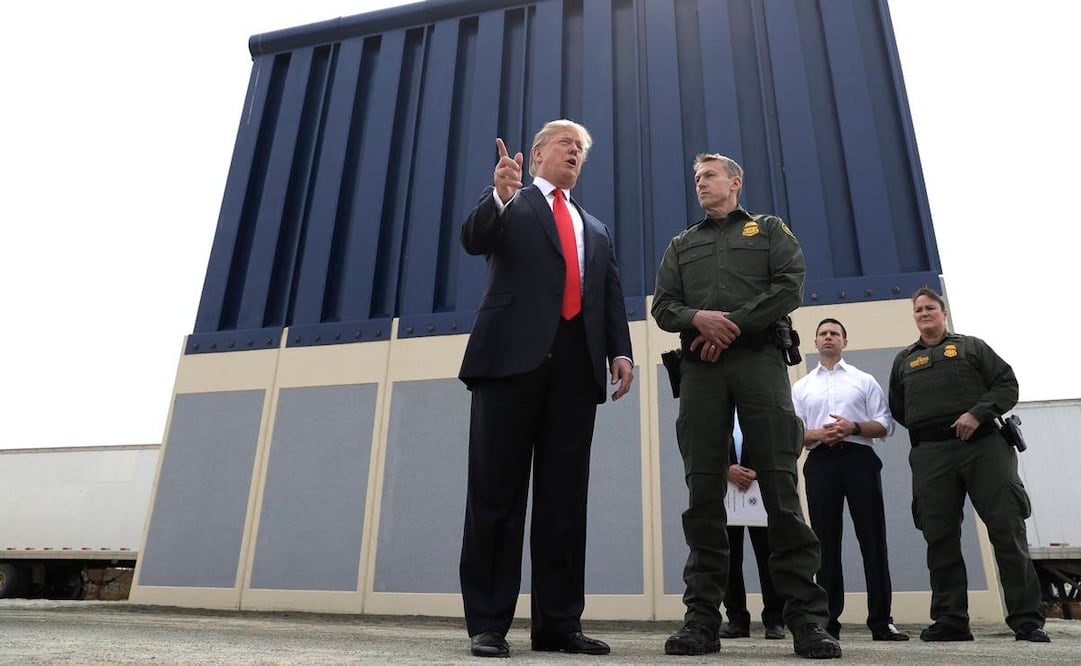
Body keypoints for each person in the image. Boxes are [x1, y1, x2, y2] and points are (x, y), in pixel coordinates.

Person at [457, 119, 635, 658]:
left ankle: (559, 624)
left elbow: (608, 292)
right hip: (510, 363)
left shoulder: (595, 227)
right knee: (497, 495)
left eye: (581, 149)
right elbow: (474, 240)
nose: (575, 154)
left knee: (564, 503)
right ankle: (488, 623)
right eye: (566, 145)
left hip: (575, 372)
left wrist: (619, 350)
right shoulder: (512, 203)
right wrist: (498, 195)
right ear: (537, 154)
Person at [651, 153, 840, 659]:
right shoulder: (681, 244)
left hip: (759, 362)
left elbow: (789, 286)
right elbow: (663, 306)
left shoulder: (770, 229)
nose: (700, 184)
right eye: (695, 178)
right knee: (703, 492)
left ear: (735, 181)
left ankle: (806, 621)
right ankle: (701, 622)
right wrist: (698, 319)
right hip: (701, 371)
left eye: (709, 176)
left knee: (780, 486)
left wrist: (728, 326)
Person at [887, 287, 1048, 643]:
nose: (924, 313)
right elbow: (899, 408)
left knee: (1007, 529)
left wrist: (977, 413)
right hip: (932, 455)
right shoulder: (903, 361)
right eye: (918, 310)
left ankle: (1026, 620)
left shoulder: (972, 347)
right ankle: (951, 619)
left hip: (984, 448)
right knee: (939, 536)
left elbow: (1007, 385)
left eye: (930, 308)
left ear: (943, 312)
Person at [791, 318, 908, 642]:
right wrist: (816, 433)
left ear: (844, 341)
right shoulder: (801, 387)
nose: (829, 338)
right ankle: (827, 623)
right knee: (824, 544)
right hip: (821, 461)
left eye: (835, 334)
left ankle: (882, 622)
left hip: (859, 458)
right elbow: (792, 432)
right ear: (815, 343)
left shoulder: (863, 380)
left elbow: (885, 424)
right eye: (823, 334)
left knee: (872, 539)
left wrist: (852, 428)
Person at [721, 414, 786, 641]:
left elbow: (780, 439)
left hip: (761, 488)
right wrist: (726, 468)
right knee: (729, 556)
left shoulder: (759, 402)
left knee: (768, 554)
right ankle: (737, 620)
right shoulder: (718, 405)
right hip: (727, 491)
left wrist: (760, 470)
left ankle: (775, 620)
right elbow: (704, 442)